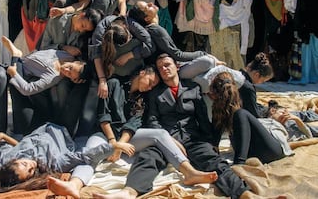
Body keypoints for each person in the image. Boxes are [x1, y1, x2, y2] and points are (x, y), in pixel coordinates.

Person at [46, 64, 218, 199]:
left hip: (126, 138)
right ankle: (74, 185)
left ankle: (188, 171)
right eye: (151, 82)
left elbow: (134, 123)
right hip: (104, 135)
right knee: (89, 154)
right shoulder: (114, 83)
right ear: (142, 73)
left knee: (160, 134)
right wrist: (114, 143)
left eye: (153, 86)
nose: (150, 88)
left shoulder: (143, 98)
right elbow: (103, 114)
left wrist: (122, 144)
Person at [96, 54, 251, 199]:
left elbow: (202, 118)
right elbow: (152, 120)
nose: (164, 68)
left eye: (167, 64)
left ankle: (242, 192)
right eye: (161, 67)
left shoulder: (193, 88)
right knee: (148, 158)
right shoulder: (154, 93)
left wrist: (210, 143)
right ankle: (129, 192)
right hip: (165, 139)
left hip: (192, 138)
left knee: (214, 161)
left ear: (176, 66)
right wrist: (169, 140)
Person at [0, 122, 132, 193]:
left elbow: (6, 148)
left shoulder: (5, 159)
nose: (31, 166)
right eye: (30, 172)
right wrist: (114, 146)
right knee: (83, 89)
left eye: (25, 164)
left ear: (14, 161)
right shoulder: (51, 163)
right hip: (66, 128)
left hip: (42, 124)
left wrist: (2, 136)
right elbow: (82, 155)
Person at [1, 36, 89, 135]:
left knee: (8, 79)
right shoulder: (67, 54)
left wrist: (14, 74)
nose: (66, 70)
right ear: (75, 62)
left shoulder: (53, 77)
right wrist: (64, 47)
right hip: (29, 56)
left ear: (72, 79)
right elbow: (45, 47)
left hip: (21, 69)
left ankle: (15, 56)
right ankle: (15, 57)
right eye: (70, 67)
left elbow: (28, 89)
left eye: (69, 74)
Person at [209, 72, 292, 165]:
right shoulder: (219, 110)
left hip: (269, 150)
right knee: (240, 115)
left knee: (241, 114)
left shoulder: (242, 104)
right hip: (258, 151)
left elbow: (215, 140)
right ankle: (240, 161)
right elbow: (215, 140)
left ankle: (239, 163)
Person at [90, 15, 154, 99]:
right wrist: (102, 80)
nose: (130, 37)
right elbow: (96, 56)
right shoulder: (99, 34)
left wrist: (129, 55)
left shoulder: (132, 24)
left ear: (125, 26)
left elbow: (151, 45)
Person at [239, 52, 274, 118]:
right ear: (257, 75)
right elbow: (254, 114)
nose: (261, 83)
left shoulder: (238, 75)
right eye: (263, 80)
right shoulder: (248, 88)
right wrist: (267, 113)